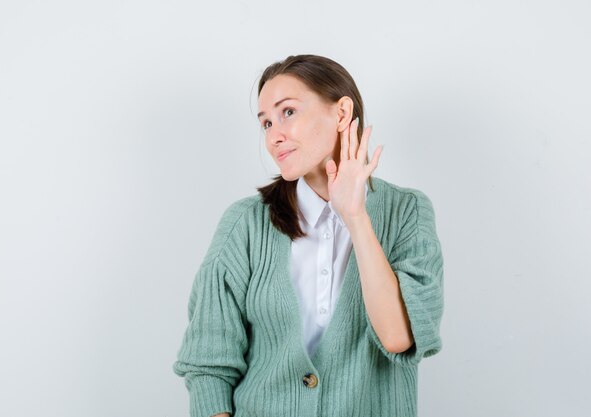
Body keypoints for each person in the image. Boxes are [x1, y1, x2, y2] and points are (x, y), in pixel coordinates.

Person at [173, 54, 445, 417]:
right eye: (266, 123)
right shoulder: (245, 224)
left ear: (342, 113)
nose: (274, 136)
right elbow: (209, 365)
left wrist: (355, 216)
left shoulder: (407, 212)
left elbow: (399, 339)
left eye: (287, 112)